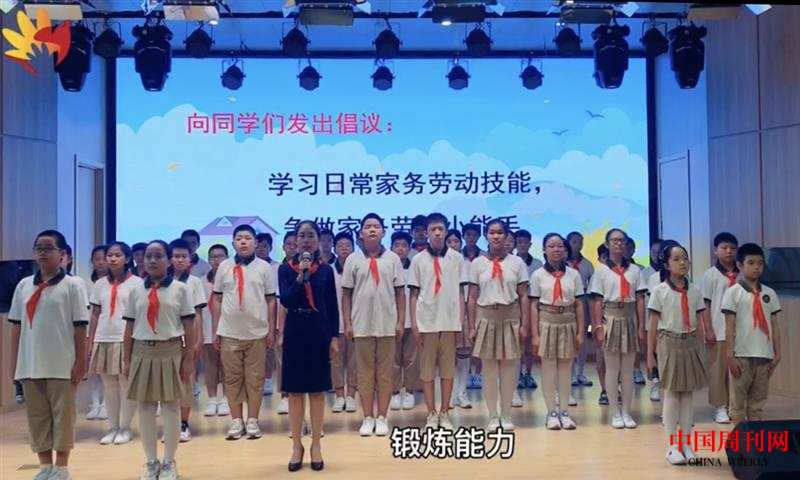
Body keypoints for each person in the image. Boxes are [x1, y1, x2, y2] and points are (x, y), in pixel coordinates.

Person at [9, 230, 89, 480]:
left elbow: (80, 326)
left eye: (48, 248)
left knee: (63, 417)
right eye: (38, 248)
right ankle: (45, 466)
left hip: (62, 364)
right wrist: (14, 365)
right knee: (37, 417)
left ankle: (62, 467)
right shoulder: (24, 285)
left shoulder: (73, 285)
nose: (42, 252)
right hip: (30, 364)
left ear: (62, 254)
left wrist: (81, 362)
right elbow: (17, 327)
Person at [123, 240, 195, 480]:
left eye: (158, 256)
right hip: (142, 352)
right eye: (148, 256)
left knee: (171, 406)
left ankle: (169, 462)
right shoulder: (135, 290)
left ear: (169, 260)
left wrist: (188, 359)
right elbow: (129, 326)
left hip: (170, 351)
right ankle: (151, 462)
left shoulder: (180, 289)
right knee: (145, 408)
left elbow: (189, 326)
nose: (152, 261)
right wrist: (126, 359)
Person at [278, 220, 339, 472]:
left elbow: (332, 307)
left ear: (318, 240)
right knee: (295, 393)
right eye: (301, 235)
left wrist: (334, 337)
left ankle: (316, 445)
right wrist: (300, 277)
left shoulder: (326, 271)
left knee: (316, 391)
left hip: (318, 331)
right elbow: (287, 300)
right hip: (295, 331)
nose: (306, 240)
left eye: (310, 235)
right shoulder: (285, 269)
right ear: (295, 240)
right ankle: (296, 446)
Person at [341, 213, 405, 437]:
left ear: (383, 232)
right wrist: (347, 323)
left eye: (376, 226)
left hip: (387, 325)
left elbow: (400, 293)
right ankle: (367, 416)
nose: (372, 230)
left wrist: (401, 321)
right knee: (365, 373)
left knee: (386, 373)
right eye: (367, 226)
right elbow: (346, 294)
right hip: (362, 324)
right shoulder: (353, 260)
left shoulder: (393, 259)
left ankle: (382, 417)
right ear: (361, 233)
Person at [212, 225, 278, 440]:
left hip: (257, 332)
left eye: (248, 238)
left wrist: (271, 329)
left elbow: (271, 300)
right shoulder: (224, 267)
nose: (243, 241)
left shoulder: (264, 267)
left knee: (255, 379)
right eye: (239, 238)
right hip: (229, 332)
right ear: (233, 243)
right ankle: (236, 420)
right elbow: (217, 299)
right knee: (232, 378)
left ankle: (253, 420)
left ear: (255, 243)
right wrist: (215, 330)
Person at [647, 242, 708, 465]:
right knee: (672, 393)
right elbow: (653, 325)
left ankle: (687, 444)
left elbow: (699, 321)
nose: (683, 263)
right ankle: (672, 446)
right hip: (668, 342)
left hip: (690, 342)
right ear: (666, 265)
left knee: (688, 395)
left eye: (685, 258)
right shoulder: (660, 291)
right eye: (676, 259)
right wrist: (650, 354)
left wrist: (700, 347)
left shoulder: (695, 290)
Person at [468, 219, 530, 431]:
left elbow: (524, 296)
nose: (496, 236)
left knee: (508, 369)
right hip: (486, 318)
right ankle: (493, 415)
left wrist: (524, 324)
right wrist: (472, 326)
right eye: (492, 232)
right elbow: (472, 297)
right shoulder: (477, 263)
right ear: (486, 235)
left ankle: (506, 414)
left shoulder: (517, 263)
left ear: (506, 236)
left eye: (500, 233)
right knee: (489, 370)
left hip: (510, 318)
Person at [409, 213, 466, 430]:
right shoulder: (418, 260)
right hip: (427, 323)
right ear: (426, 232)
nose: (437, 233)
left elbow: (461, 292)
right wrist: (415, 325)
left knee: (447, 371)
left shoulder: (457, 258)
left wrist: (460, 322)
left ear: (446, 230)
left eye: (441, 229)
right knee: (427, 371)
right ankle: (431, 413)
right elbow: (413, 294)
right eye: (433, 229)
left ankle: (445, 412)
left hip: (450, 323)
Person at [589, 229, 647, 429]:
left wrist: (641, 326)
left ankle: (627, 412)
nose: (619, 244)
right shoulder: (601, 271)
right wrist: (598, 326)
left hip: (629, 318)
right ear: (607, 244)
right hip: (610, 319)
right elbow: (597, 301)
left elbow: (640, 299)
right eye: (615, 241)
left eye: (622, 240)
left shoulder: (635, 270)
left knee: (628, 370)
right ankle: (615, 411)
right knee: (612, 369)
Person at [88, 241, 142, 445]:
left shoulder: (137, 283)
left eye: (117, 255)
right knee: (109, 385)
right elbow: (95, 314)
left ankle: (126, 427)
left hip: (126, 337)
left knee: (126, 384)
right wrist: (91, 340)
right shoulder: (100, 284)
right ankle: (112, 427)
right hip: (103, 337)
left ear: (127, 259)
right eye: (109, 255)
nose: (112, 259)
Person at [530, 233, 585, 430]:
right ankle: (551, 412)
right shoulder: (537, 275)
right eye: (551, 246)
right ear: (544, 250)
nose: (556, 249)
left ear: (565, 250)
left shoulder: (574, 274)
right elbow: (534, 305)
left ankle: (564, 412)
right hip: (546, 321)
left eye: (560, 246)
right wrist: (535, 334)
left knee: (565, 370)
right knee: (548, 369)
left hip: (568, 321)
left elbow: (579, 304)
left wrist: (581, 332)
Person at [722, 243, 782, 425]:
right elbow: (729, 326)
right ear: (740, 265)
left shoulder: (770, 293)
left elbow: (775, 325)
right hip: (742, 355)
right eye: (751, 263)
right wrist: (729, 355)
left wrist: (777, 353)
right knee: (738, 404)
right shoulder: (733, 292)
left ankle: (755, 441)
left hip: (764, 355)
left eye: (760, 263)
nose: (756, 267)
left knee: (757, 403)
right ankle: (739, 441)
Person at [169, 239, 208, 442]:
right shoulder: (161, 280)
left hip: (188, 338)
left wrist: (198, 339)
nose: (179, 260)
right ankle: (170, 423)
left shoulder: (194, 282)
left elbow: (198, 313)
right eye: (176, 256)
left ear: (190, 258)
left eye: (183, 256)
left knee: (186, 381)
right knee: (168, 383)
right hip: (166, 338)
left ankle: (184, 423)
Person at [701, 232, 739, 424]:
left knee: (739, 370)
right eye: (724, 248)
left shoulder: (743, 273)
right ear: (715, 250)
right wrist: (708, 330)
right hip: (718, 328)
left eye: (732, 248)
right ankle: (720, 406)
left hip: (741, 330)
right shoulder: (710, 275)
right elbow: (705, 305)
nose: (729, 251)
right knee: (718, 370)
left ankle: (736, 405)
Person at [390, 231, 418, 411]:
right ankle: (394, 392)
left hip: (412, 320)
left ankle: (409, 392)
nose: (400, 249)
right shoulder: (388, 266)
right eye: (397, 245)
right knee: (392, 359)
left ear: (409, 248)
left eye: (404, 246)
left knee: (411, 359)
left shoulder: (415, 266)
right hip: (391, 321)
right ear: (391, 247)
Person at [201, 244, 230, 417]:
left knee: (227, 366)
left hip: (227, 329)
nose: (216, 260)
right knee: (210, 366)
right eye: (213, 257)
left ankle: (226, 399)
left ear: (227, 259)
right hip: (206, 329)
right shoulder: (201, 281)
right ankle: (212, 400)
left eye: (220, 256)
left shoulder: (232, 279)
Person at [330, 232, 358, 413]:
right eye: (340, 246)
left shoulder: (359, 267)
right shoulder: (328, 270)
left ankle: (351, 396)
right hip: (335, 323)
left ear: (353, 248)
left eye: (348, 245)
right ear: (334, 249)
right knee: (336, 362)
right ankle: (339, 396)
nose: (344, 249)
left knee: (355, 362)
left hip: (356, 322)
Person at [446, 229, 473, 409]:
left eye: (456, 241)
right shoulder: (439, 262)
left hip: (464, 310)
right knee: (447, 356)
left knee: (464, 353)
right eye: (449, 241)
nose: (452, 245)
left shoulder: (468, 263)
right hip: (445, 311)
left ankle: (462, 392)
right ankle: (449, 394)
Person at [566, 231, 595, 389]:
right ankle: (570, 373)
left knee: (582, 334)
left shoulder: (587, 264)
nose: (578, 245)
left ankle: (580, 372)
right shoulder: (563, 263)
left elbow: (593, 284)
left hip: (583, 298)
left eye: (580, 242)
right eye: (574, 241)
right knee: (569, 335)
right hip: (567, 299)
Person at [515, 229, 542, 392]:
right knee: (518, 341)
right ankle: (518, 373)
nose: (522, 245)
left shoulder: (538, 264)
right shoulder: (511, 262)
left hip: (533, 305)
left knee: (530, 342)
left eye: (525, 242)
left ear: (530, 244)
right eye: (519, 242)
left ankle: (529, 373)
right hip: (515, 306)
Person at [86, 245, 109, 422]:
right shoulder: (85, 283)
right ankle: (95, 403)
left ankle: (106, 404)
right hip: (87, 330)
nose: (100, 262)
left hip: (106, 331)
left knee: (106, 371)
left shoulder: (111, 283)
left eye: (103, 259)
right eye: (97, 259)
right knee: (92, 370)